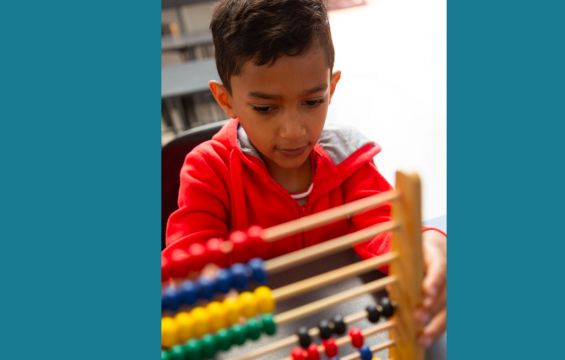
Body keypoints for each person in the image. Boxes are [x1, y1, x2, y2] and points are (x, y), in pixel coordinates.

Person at [164, 0, 446, 347]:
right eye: (266, 108)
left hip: (348, 335)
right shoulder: (209, 170)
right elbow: (191, 255)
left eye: (312, 102)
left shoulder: (349, 160)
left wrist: (427, 246)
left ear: (332, 86)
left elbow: (387, 227)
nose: (293, 131)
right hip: (261, 343)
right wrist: (212, 292)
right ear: (226, 100)